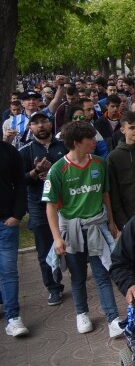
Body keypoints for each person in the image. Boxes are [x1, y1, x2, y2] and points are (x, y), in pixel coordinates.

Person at [43, 120, 124, 337]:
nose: (95, 142)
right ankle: (82, 313)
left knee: (102, 273)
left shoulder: (99, 163)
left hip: (97, 226)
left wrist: (111, 221)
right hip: (71, 229)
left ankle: (113, 318)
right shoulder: (58, 170)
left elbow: (105, 193)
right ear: (77, 143)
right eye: (90, 139)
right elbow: (50, 206)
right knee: (77, 276)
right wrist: (57, 238)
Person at [19, 112, 68, 305]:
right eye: (36, 123)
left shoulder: (64, 146)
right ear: (30, 128)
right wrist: (35, 172)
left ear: (50, 124)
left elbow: (73, 167)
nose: (40, 126)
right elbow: (20, 180)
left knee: (71, 243)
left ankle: (78, 275)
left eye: (44, 121)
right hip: (39, 204)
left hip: (65, 203)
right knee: (44, 248)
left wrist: (53, 172)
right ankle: (53, 287)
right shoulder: (25, 151)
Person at [1, 139, 28, 336]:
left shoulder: (9, 152)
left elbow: (20, 183)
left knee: (8, 271)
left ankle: (13, 317)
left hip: (6, 222)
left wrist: (17, 215)